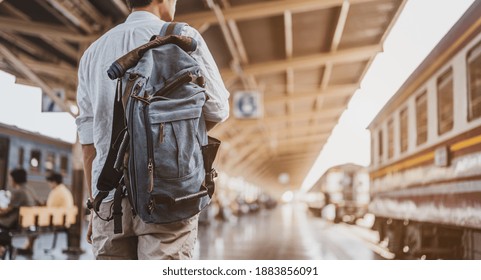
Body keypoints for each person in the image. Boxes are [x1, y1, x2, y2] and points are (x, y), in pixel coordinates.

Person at [75, 0, 230, 259]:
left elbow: (88, 139)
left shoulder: (93, 52)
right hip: (167, 194)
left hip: (109, 201)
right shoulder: (183, 37)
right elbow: (217, 109)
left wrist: (95, 206)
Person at [17, 172, 75, 254]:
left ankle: (28, 247)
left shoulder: (56, 192)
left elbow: (49, 209)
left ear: (54, 182)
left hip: (55, 222)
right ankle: (28, 246)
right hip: (65, 220)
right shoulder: (65, 190)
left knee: (32, 223)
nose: (49, 185)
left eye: (49, 183)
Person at [0, 168, 36, 256]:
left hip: (14, 223)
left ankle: (2, 247)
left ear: (14, 179)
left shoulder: (18, 191)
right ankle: (2, 247)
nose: (9, 180)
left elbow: (8, 211)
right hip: (25, 221)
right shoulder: (29, 189)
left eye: (10, 178)